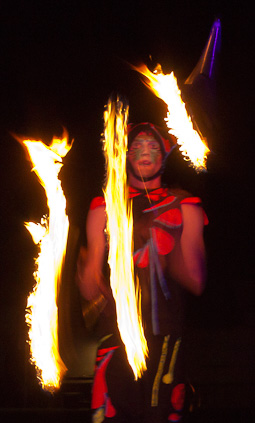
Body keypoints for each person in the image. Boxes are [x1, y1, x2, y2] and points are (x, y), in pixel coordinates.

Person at [77, 122, 208, 423]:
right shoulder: (104, 207)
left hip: (164, 338)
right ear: (125, 154)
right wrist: (82, 264)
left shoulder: (184, 204)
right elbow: (88, 288)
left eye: (152, 146)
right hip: (115, 339)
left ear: (164, 154)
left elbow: (197, 281)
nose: (145, 152)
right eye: (137, 146)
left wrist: (164, 248)